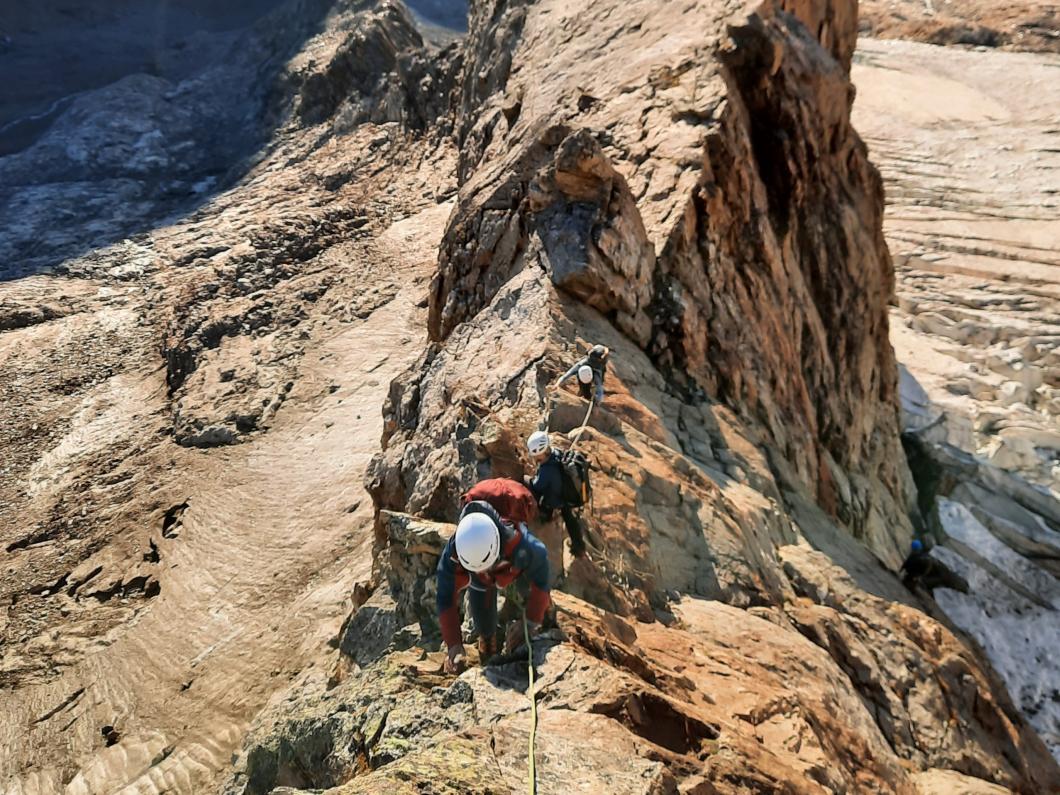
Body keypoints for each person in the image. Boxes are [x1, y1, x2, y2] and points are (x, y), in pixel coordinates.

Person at [436, 496, 551, 674]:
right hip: (486, 570)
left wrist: (530, 621)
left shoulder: (521, 544)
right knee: (481, 598)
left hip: (515, 561)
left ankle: (538, 626)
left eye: (487, 566)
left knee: (530, 595)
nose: (484, 571)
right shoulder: (455, 550)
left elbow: (542, 578)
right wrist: (453, 644)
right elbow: (445, 596)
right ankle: (488, 642)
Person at [525, 431, 588, 559]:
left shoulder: (546, 470)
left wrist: (528, 478)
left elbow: (537, 486)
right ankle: (579, 547)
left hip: (555, 500)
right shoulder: (556, 452)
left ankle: (546, 516)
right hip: (566, 496)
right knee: (569, 519)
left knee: (527, 482)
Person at [900, 539, 969, 593]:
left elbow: (926, 574)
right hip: (939, 571)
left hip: (940, 572)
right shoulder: (920, 557)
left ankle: (964, 587)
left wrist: (921, 581)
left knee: (947, 580)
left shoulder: (924, 560)